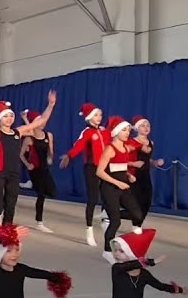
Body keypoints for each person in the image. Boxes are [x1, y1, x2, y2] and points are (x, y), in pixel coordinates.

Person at [0, 89, 57, 255]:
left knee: (10, 209)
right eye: (5, 116)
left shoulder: (19, 132)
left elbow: (41, 121)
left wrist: (51, 104)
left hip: (13, 175)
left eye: (11, 115)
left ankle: (5, 241)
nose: (9, 118)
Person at [59, 102, 108, 246]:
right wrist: (69, 156)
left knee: (108, 195)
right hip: (91, 168)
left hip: (105, 168)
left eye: (100, 115)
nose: (99, 117)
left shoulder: (104, 131)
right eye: (96, 115)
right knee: (93, 198)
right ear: (89, 117)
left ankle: (105, 223)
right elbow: (78, 145)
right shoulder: (87, 132)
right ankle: (89, 229)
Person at [95, 116, 146, 252]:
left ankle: (108, 213)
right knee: (115, 222)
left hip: (122, 186)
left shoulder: (125, 148)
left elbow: (120, 167)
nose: (127, 133)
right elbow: (99, 172)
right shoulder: (110, 149)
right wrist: (117, 183)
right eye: (124, 130)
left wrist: (128, 175)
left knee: (137, 214)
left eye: (128, 130)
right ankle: (108, 251)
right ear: (116, 132)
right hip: (109, 187)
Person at [20, 109, 56, 233]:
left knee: (52, 191)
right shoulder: (29, 139)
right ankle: (39, 222)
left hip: (45, 167)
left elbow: (51, 151)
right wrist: (27, 164)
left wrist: (50, 158)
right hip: (35, 169)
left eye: (43, 121)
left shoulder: (48, 135)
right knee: (41, 195)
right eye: (39, 121)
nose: (43, 123)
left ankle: (31, 185)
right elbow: (21, 154)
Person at [127, 116, 164, 219]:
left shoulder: (151, 143)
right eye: (143, 126)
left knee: (146, 202)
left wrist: (155, 162)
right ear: (137, 128)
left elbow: (147, 159)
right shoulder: (131, 142)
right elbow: (120, 160)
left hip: (145, 176)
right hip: (133, 176)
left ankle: (137, 225)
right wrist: (133, 164)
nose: (146, 128)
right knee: (134, 204)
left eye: (148, 125)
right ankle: (110, 215)